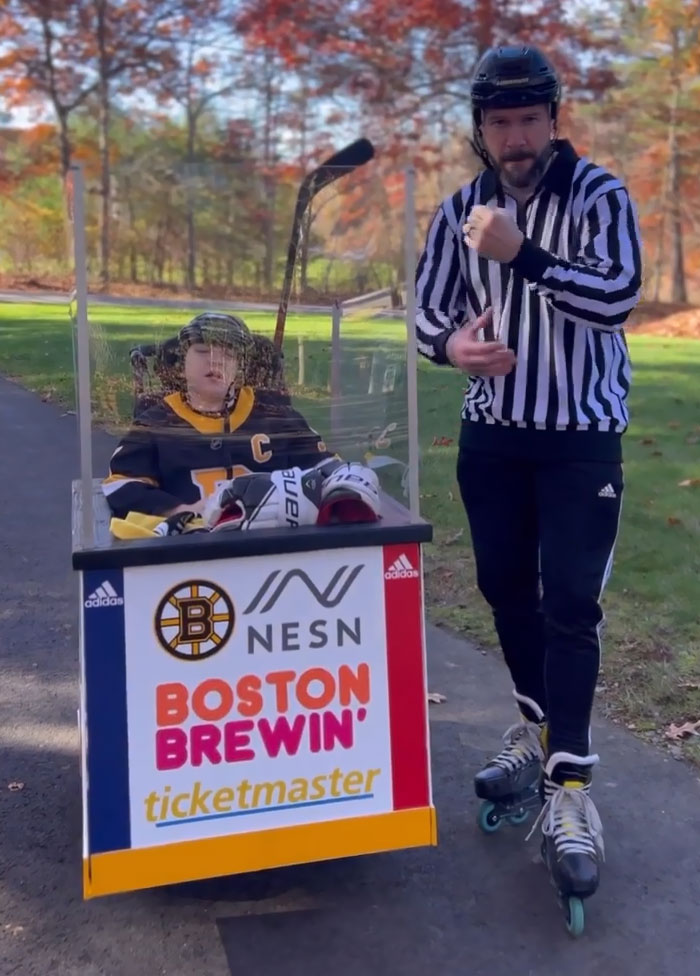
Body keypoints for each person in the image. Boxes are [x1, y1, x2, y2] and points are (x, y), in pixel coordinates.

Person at [415, 44, 643, 908]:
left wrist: (523, 256)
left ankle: (573, 791)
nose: (514, 136)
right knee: (506, 591)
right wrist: (452, 349)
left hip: (580, 437)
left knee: (571, 605)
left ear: (554, 119)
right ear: (481, 128)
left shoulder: (599, 196)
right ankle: (536, 730)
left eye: (528, 119)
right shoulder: (459, 207)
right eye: (499, 121)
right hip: (494, 437)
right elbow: (427, 308)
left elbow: (616, 298)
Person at [103, 312, 380, 531]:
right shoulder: (155, 422)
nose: (215, 360)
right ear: (181, 363)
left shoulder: (276, 416)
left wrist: (346, 482)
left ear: (240, 367)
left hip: (271, 548)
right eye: (202, 350)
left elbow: (326, 469)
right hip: (188, 550)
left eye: (227, 353)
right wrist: (180, 512)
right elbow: (121, 486)